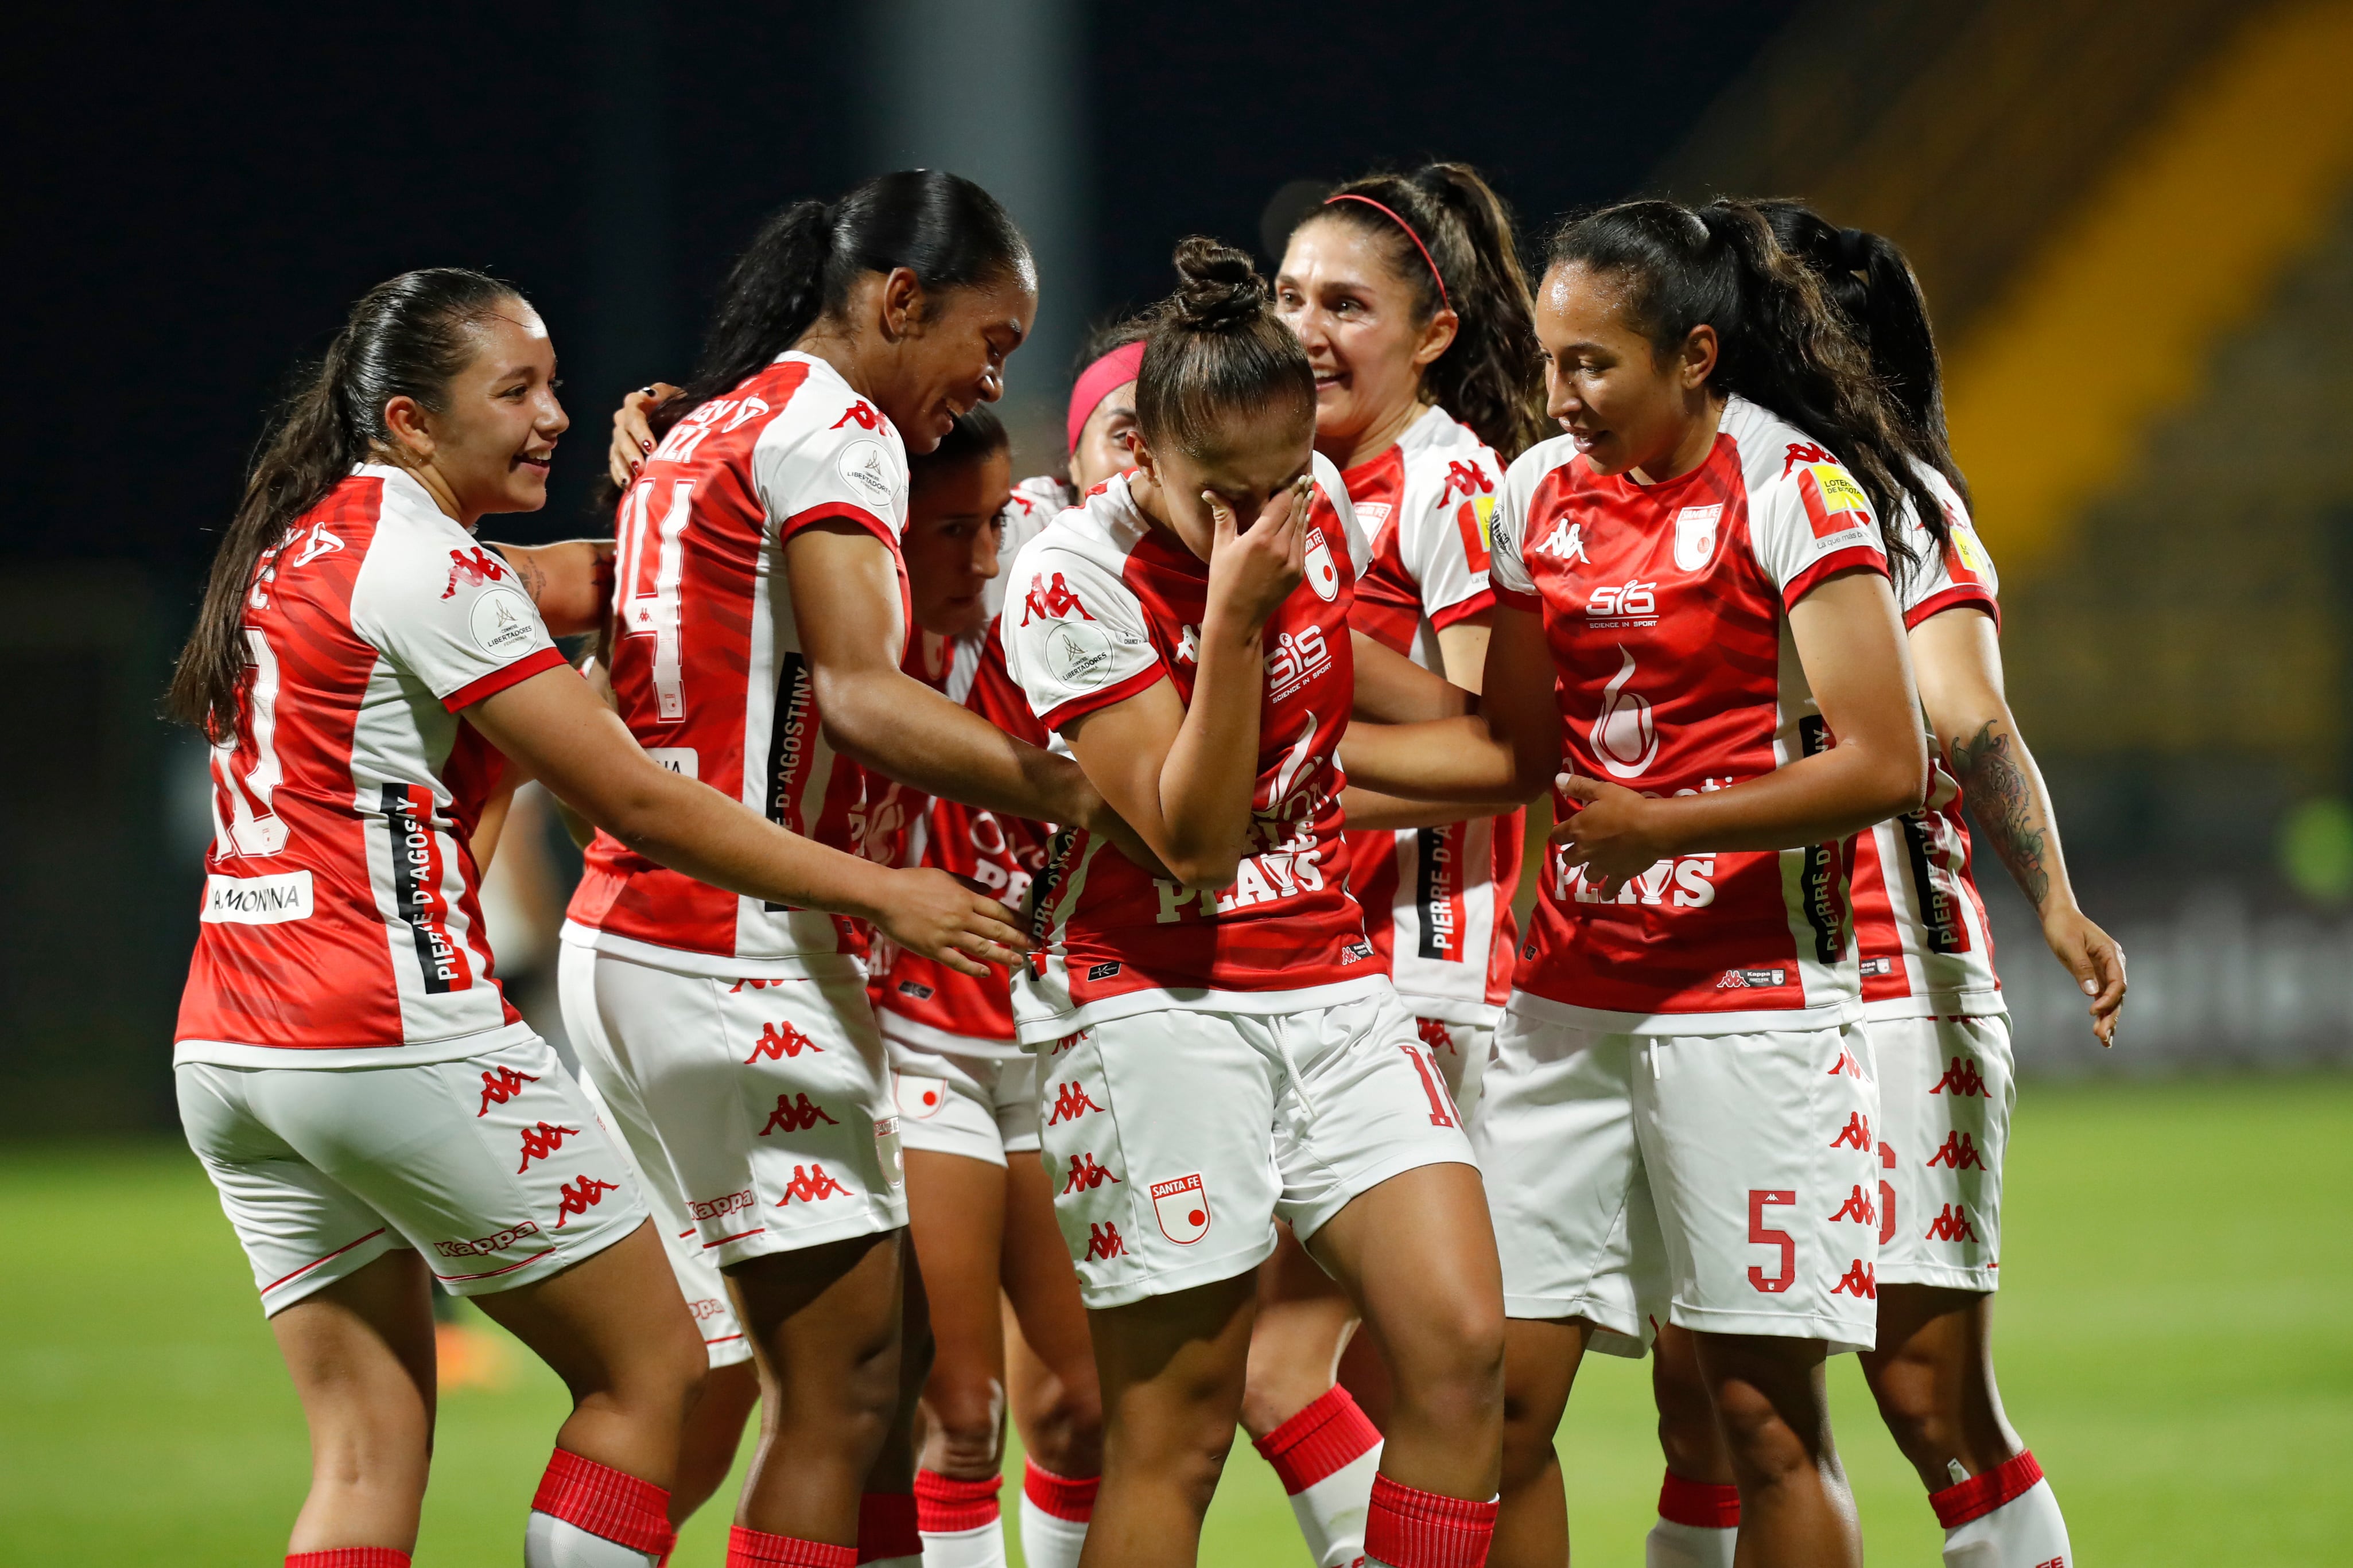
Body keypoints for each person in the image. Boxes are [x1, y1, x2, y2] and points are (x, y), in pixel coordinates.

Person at [169, 268, 1023, 1568]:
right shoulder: (429, 563)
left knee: (363, 1451)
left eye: (553, 380)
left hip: (232, 1049)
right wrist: (885, 888)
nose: (553, 414)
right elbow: (636, 794)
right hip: (386, 1027)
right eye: (514, 390)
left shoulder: (314, 540)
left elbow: (587, 578)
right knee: (658, 1370)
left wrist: (692, 483)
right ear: (408, 419)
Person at [1341, 196, 1944, 1567]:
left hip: (1753, 1005)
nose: (1559, 397)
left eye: (1592, 365)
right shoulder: (1532, 497)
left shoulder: (1798, 487)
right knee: (1492, 1408)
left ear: (1693, 354)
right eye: (1550, 363)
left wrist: (1666, 825)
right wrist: (1311, 772)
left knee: (1763, 1421)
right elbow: (1512, 746)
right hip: (1562, 1006)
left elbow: (1885, 761)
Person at [557, 170, 1139, 1568]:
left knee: (786, 1381)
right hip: (728, 943)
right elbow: (867, 695)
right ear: (897, 300)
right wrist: (1085, 795)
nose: (989, 377)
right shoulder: (837, 431)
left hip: (635, 939)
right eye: (987, 343)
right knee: (841, 1392)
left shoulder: (717, 424)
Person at [1001, 236, 1508, 1568]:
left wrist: (1496, 706)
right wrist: (1230, 620)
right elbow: (1190, 839)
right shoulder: (1071, 580)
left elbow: (1353, 662)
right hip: (1151, 1009)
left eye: (1281, 482)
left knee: (1463, 1353)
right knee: (1178, 1435)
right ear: (1137, 464)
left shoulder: (1312, 504)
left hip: (1333, 987)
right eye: (1217, 494)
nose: (1256, 519)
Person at [1634, 205, 2124, 1568]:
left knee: (1928, 1401)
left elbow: (1964, 718)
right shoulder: (1694, 494)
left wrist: (2053, 898)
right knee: (1708, 1393)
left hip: (1894, 980)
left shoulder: (1897, 504)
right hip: (1734, 985)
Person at [1240, 162, 1545, 1568]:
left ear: (1429, 334)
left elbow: (1505, 747)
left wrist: (1291, 773)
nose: (1306, 327)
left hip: (1435, 968)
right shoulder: (1297, 479)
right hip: (1330, 962)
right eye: (1290, 294)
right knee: (1365, 1386)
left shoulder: (1453, 482)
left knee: (1364, 1380)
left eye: (1346, 304)